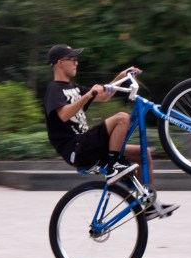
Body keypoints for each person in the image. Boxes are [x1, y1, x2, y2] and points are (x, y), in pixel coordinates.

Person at [43, 44, 178, 220]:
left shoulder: (74, 87)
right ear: (60, 63)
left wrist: (121, 77)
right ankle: (114, 166)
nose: (76, 62)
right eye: (72, 59)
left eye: (76, 59)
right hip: (75, 148)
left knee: (143, 154)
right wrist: (88, 95)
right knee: (122, 118)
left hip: (87, 144)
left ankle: (149, 205)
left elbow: (104, 95)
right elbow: (63, 114)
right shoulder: (54, 89)